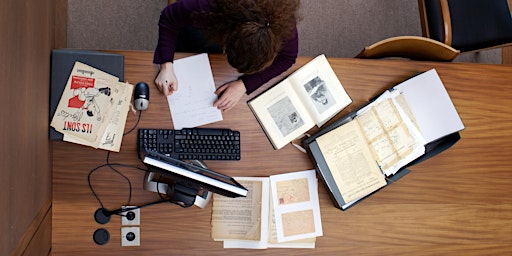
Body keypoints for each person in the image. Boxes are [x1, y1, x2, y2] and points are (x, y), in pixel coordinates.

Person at [154, 0, 300, 111]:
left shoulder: (281, 26)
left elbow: (287, 58)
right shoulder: (208, 9)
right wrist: (166, 65)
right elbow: (169, 17)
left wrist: (243, 84)